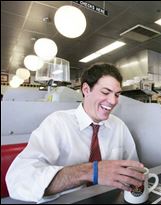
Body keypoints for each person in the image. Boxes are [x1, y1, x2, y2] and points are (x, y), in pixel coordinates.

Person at [6, 64, 145, 202]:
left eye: (117, 95)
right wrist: (91, 171)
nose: (113, 101)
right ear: (86, 89)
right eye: (105, 92)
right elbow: (18, 180)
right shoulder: (57, 123)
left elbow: (133, 170)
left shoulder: (119, 126)